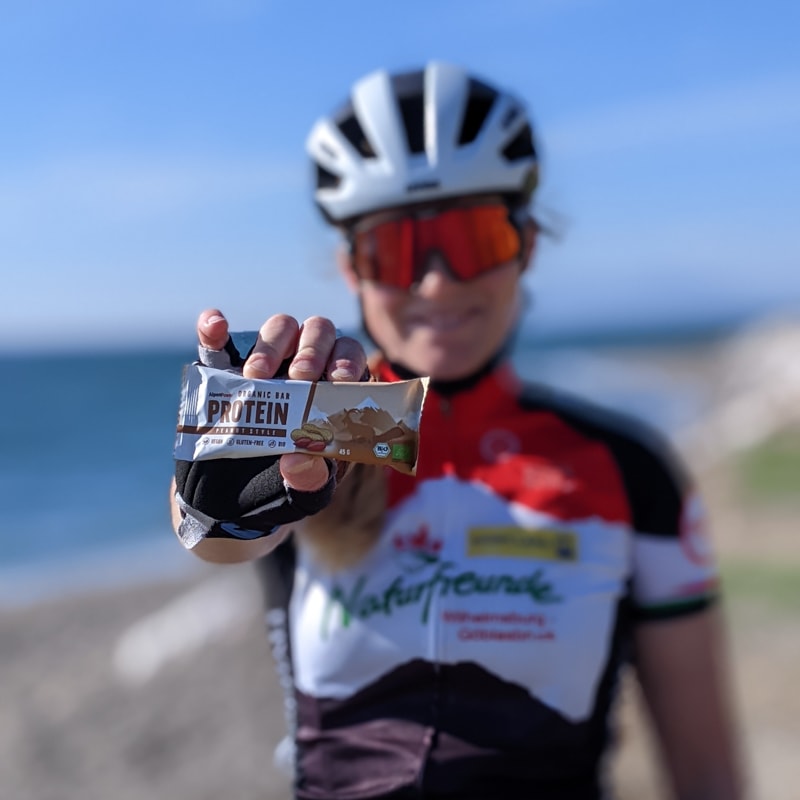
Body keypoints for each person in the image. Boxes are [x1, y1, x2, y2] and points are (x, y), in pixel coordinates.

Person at [170, 61, 745, 799]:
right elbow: (213, 542)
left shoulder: (633, 471)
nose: (437, 282)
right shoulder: (314, 434)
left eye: (472, 239)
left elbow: (707, 773)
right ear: (351, 268)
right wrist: (219, 486)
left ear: (526, 246)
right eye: (396, 249)